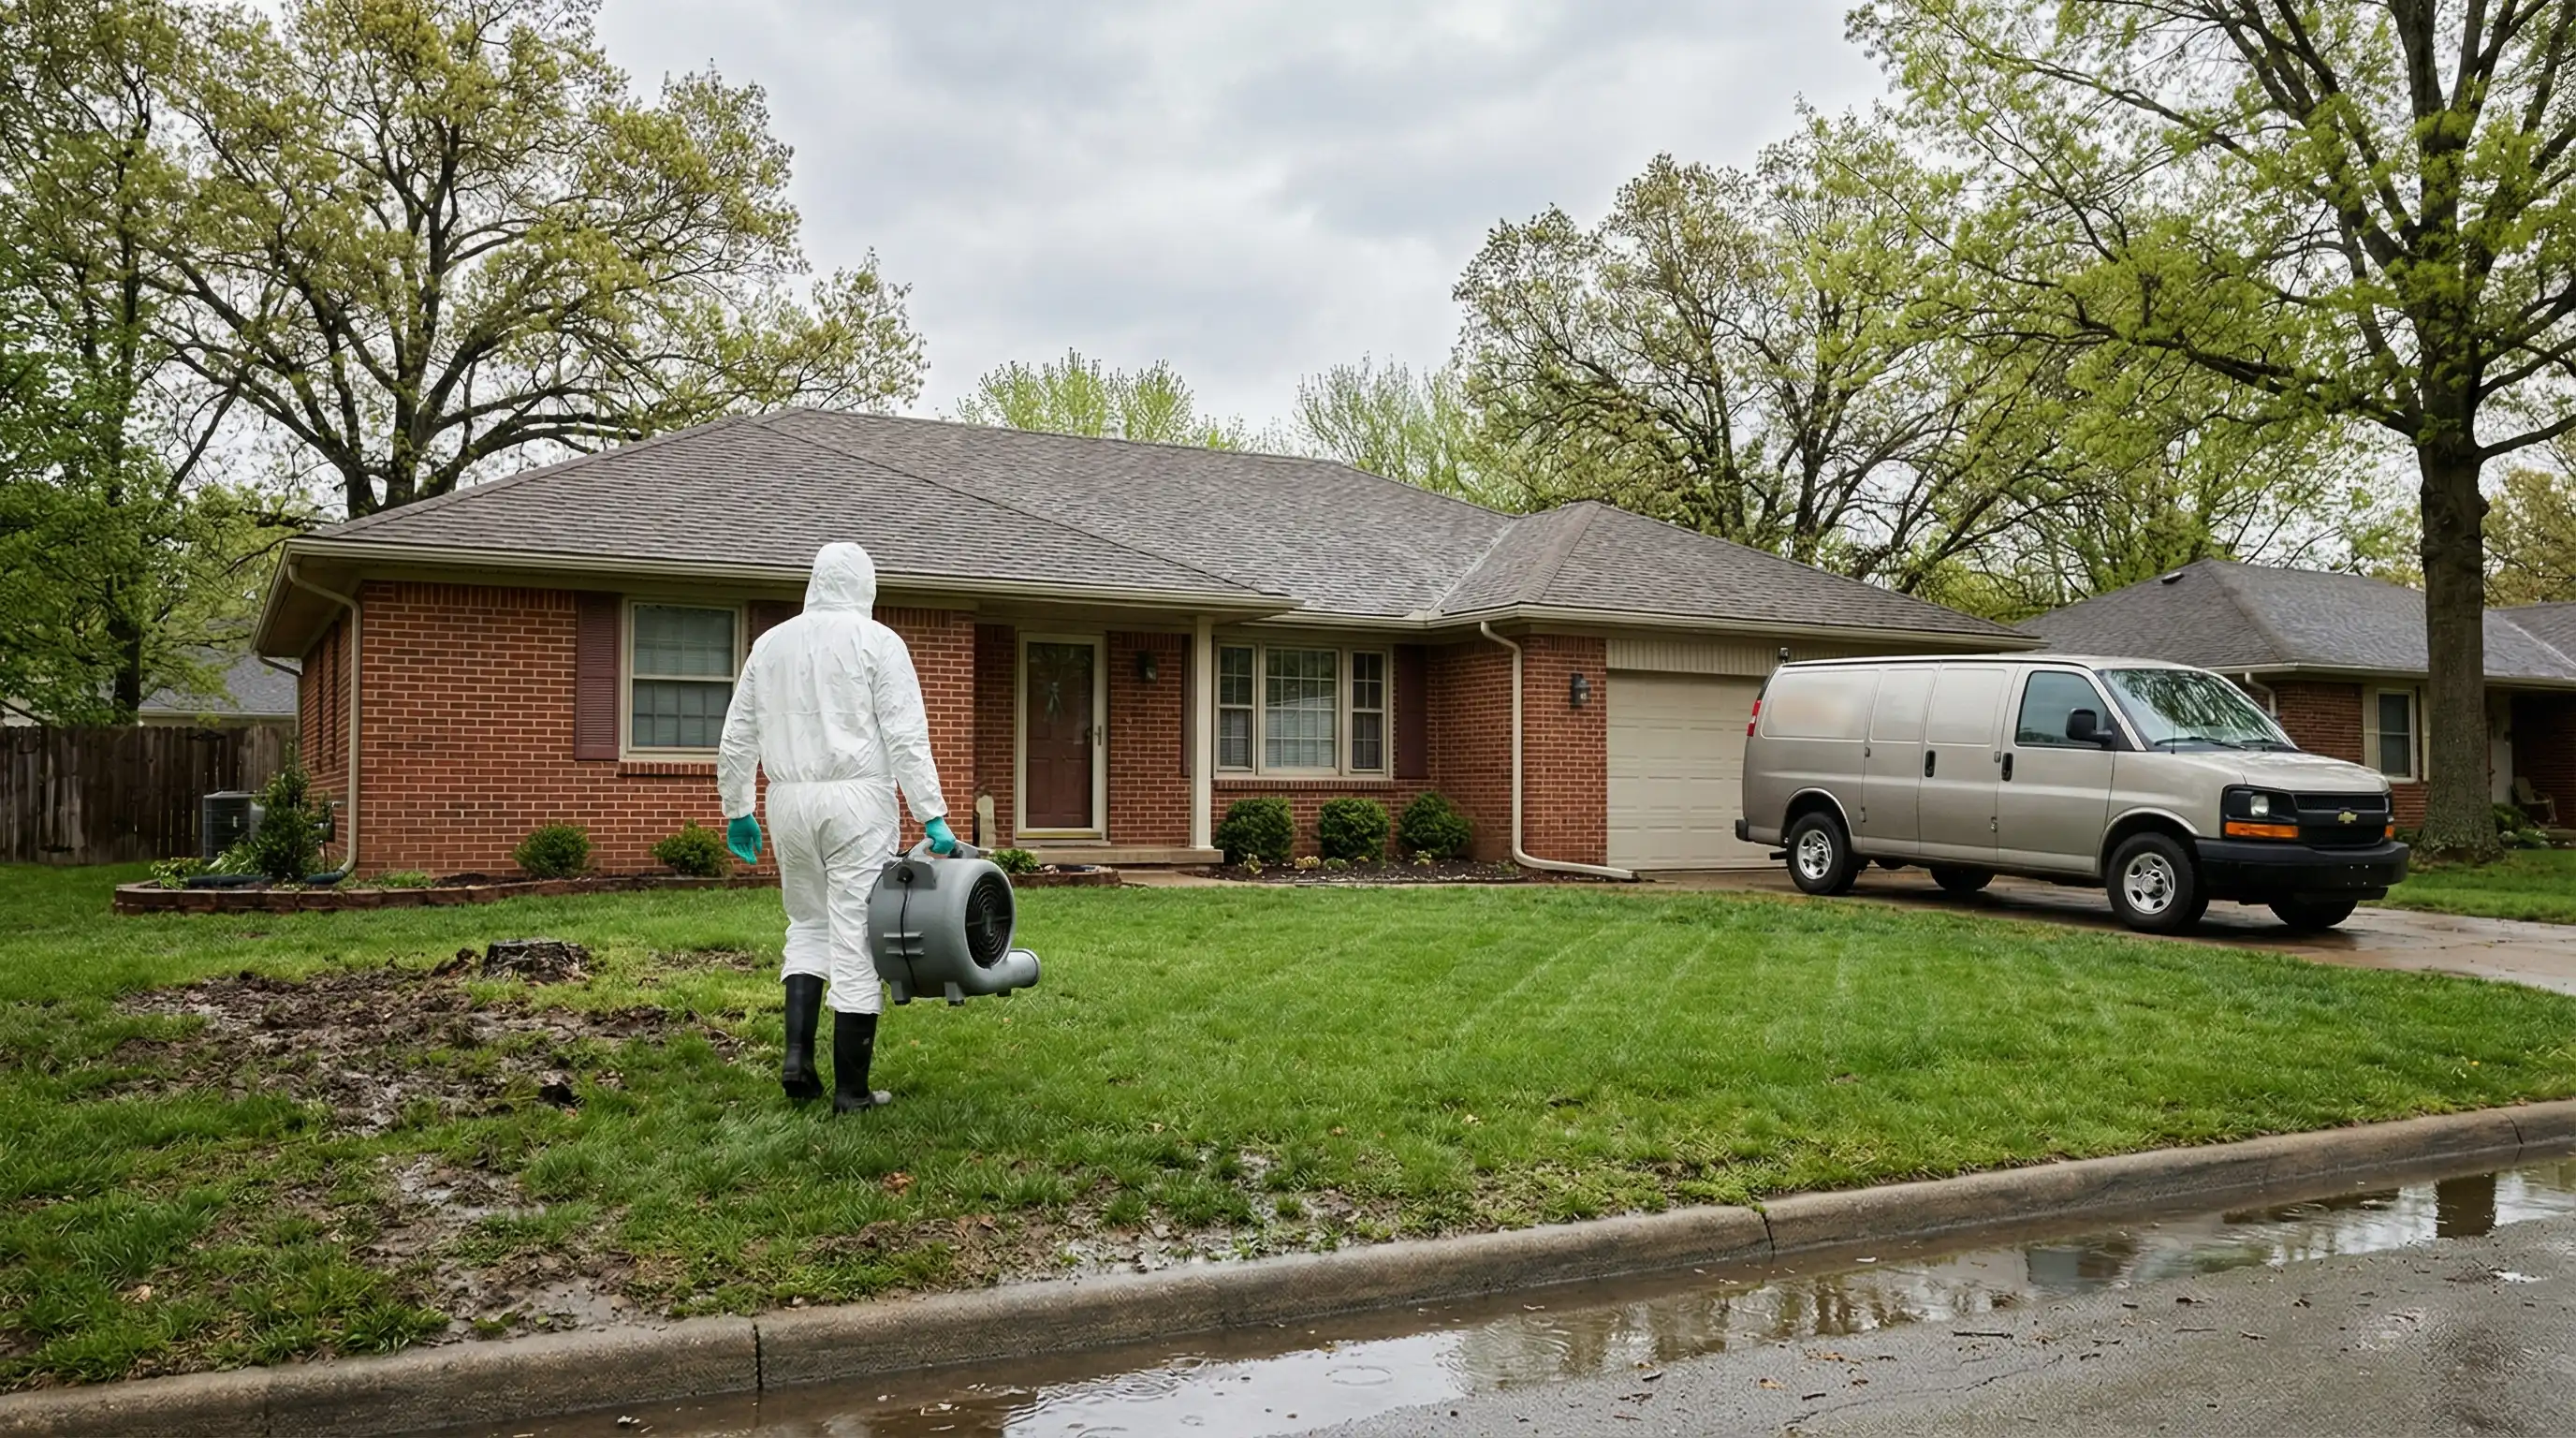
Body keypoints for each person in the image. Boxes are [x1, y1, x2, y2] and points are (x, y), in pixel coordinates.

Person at [717, 542, 958, 1113]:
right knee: (854, 933)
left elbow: (737, 734)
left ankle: (797, 1058)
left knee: (806, 922)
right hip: (857, 800)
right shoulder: (878, 643)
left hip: (786, 801)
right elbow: (905, 737)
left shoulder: (770, 644)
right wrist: (933, 814)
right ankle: (852, 1091)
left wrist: (738, 808)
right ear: (865, 587)